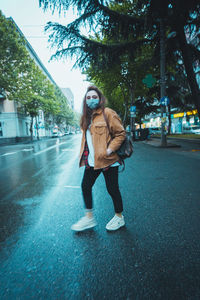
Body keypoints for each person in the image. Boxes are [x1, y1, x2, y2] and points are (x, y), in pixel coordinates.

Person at [71, 86, 126, 232]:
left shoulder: (108, 113)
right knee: (85, 186)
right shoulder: (85, 118)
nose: (91, 100)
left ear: (100, 98)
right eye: (88, 98)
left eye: (94, 97)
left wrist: (109, 150)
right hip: (92, 161)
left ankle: (119, 217)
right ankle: (89, 218)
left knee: (112, 189)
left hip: (108, 160)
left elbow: (120, 133)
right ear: (85, 101)